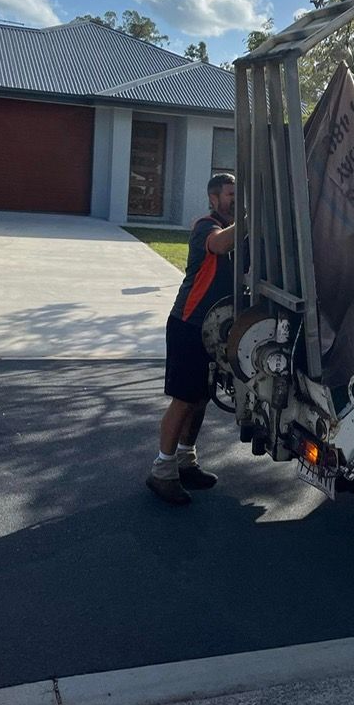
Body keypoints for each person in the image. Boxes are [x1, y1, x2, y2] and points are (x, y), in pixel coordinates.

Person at [147, 172, 236, 505]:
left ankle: (186, 461)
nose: (235, 198)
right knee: (183, 399)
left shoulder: (233, 230)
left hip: (214, 329)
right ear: (214, 198)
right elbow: (219, 244)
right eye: (230, 194)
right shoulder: (205, 226)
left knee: (201, 398)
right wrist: (250, 217)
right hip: (188, 324)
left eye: (238, 193)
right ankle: (161, 471)